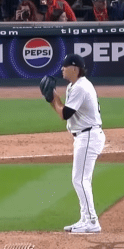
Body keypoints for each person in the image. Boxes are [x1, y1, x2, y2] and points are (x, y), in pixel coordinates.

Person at [46, 54, 106, 234]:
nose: (62, 69)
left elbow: (65, 114)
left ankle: (92, 221)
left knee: (80, 179)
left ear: (74, 68)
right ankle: (85, 218)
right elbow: (63, 111)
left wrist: (52, 99)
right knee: (79, 179)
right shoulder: (74, 86)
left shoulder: (81, 87)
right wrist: (53, 101)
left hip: (88, 136)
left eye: (64, 67)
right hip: (84, 136)